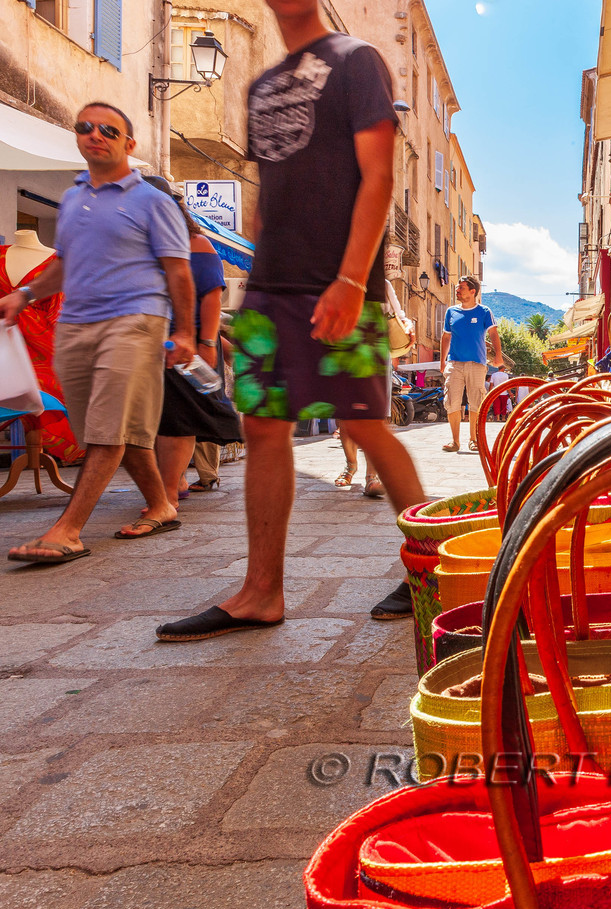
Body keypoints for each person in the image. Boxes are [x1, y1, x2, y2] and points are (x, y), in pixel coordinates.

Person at [158, 0, 421, 640]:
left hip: (339, 284)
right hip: (271, 290)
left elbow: (378, 176)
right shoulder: (261, 85)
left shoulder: (356, 61)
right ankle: (261, 592)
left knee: (366, 422)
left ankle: (432, 567)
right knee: (264, 427)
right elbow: (273, 187)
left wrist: (353, 280)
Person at [0, 103, 195, 564]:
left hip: (134, 322)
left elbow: (179, 270)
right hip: (74, 326)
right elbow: (64, 266)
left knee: (107, 431)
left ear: (129, 143)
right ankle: (161, 504)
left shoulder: (152, 201)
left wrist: (187, 332)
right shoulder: (71, 199)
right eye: (85, 127)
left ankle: (68, 530)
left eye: (109, 129)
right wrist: (24, 295)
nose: (95, 135)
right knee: (102, 430)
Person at [148, 179, 242, 509]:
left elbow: (212, 296)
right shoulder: (144, 241)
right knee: (156, 419)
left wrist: (205, 343)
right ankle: (175, 481)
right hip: (151, 340)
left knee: (178, 418)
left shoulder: (196, 243)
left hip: (188, 342)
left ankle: (169, 488)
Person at [439, 275, 503, 452]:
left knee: (476, 401)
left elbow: (493, 334)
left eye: (461, 288)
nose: (457, 290)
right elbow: (446, 337)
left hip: (477, 363)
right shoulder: (451, 312)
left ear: (472, 291)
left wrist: (498, 356)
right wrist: (442, 361)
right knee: (452, 400)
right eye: (457, 288)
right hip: (454, 362)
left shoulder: (484, 311)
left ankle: (473, 440)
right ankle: (455, 441)